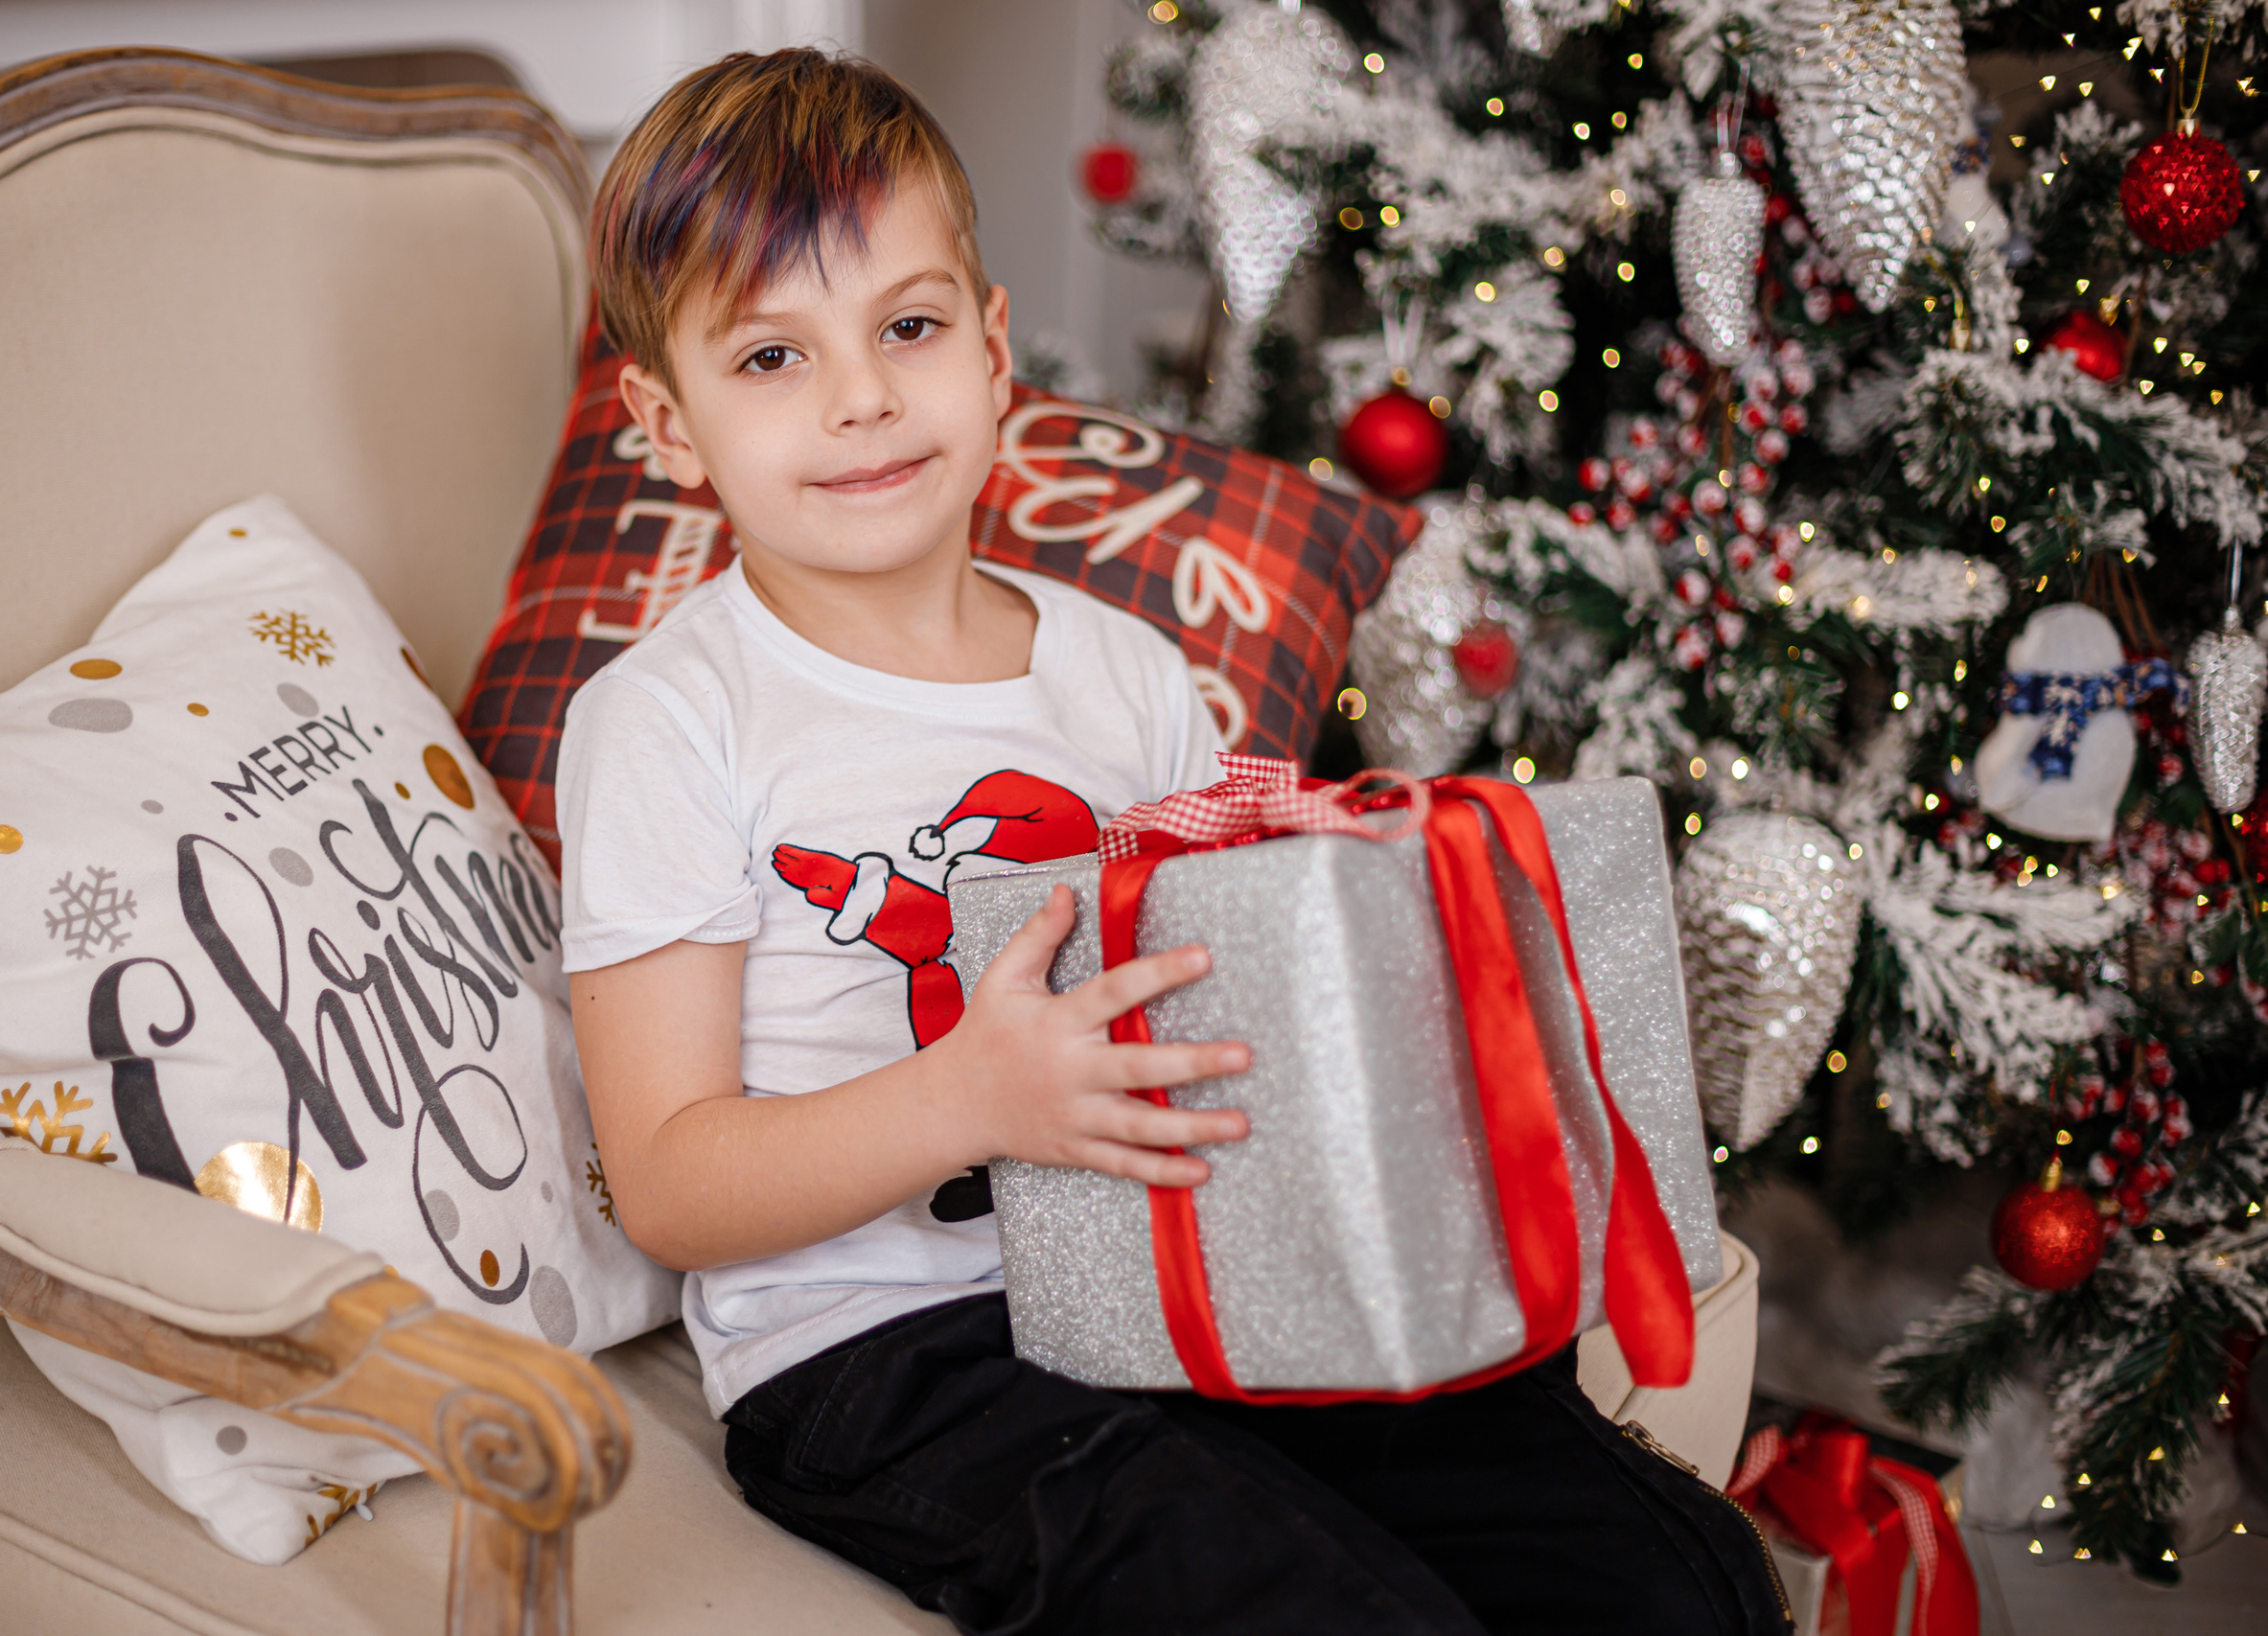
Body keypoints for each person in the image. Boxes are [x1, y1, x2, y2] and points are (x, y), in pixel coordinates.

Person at [559, 47, 1790, 1636]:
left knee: (1665, 1577)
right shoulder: (673, 715)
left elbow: (1233, 989)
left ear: (994, 350)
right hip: (886, 1358)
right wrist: (970, 1097)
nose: (861, 395)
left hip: (1181, 1284)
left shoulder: (1126, 674)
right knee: (1309, 1605)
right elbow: (665, 1181)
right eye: (772, 358)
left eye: (908, 328)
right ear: (669, 425)